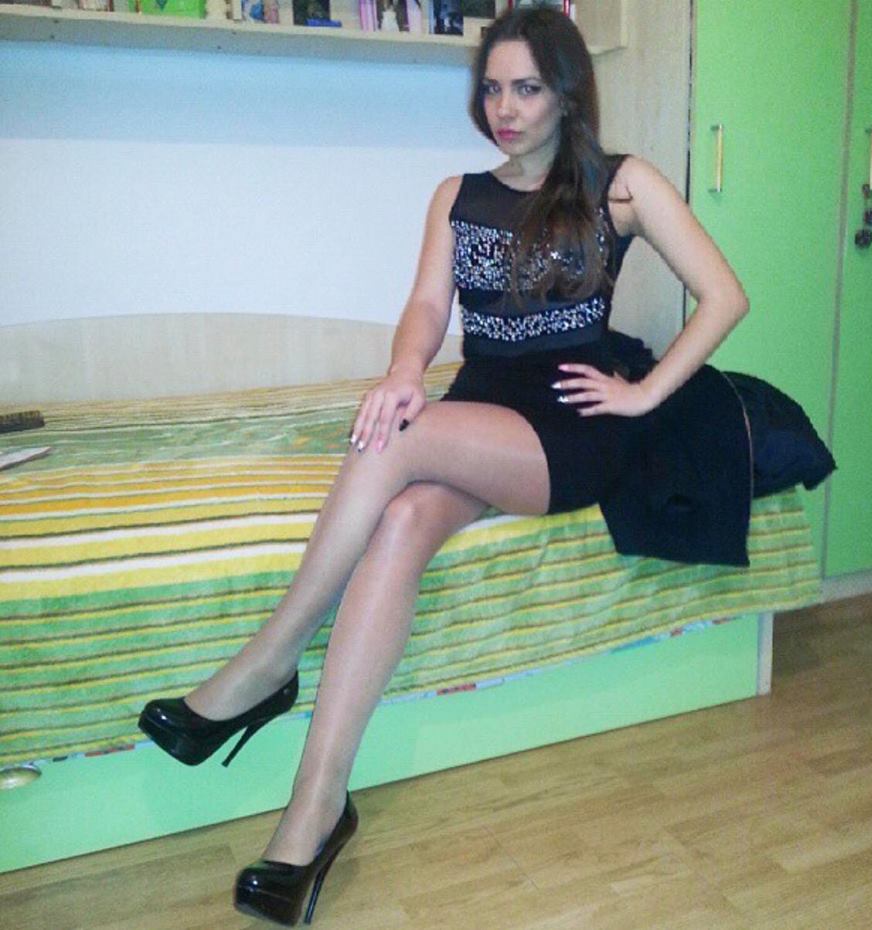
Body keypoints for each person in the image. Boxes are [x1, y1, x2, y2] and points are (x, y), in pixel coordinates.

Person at [138, 8, 753, 926]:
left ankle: (269, 662)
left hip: (570, 424)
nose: (505, 108)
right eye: (493, 88)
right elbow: (427, 308)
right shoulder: (457, 195)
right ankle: (315, 810)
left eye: (527, 88)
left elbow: (724, 294)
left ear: (567, 93)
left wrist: (644, 393)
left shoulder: (621, 184)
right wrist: (402, 370)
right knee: (401, 517)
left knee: (396, 435)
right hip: (484, 404)